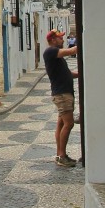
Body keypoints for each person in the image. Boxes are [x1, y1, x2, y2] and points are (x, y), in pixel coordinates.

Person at [43, 29, 79, 167]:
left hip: (63, 93)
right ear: (52, 40)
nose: (63, 40)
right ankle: (62, 156)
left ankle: (60, 155)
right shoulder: (51, 51)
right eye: (59, 38)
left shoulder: (56, 55)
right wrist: (83, 41)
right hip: (62, 94)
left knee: (61, 124)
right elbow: (72, 51)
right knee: (68, 124)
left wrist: (80, 74)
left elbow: (68, 73)